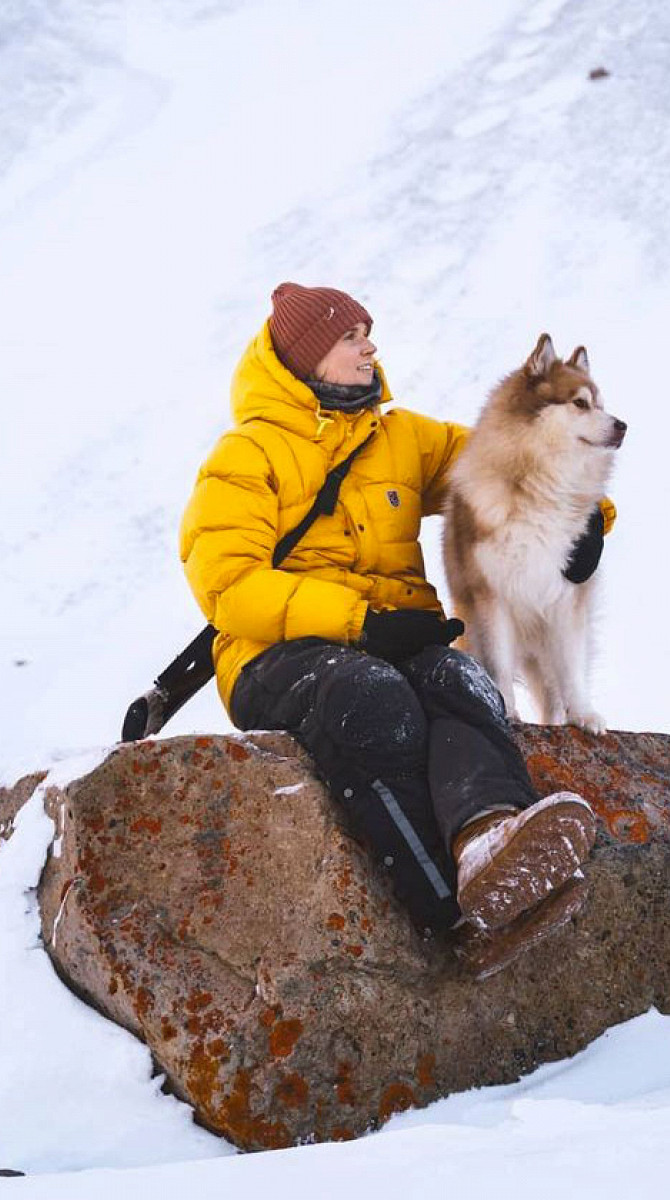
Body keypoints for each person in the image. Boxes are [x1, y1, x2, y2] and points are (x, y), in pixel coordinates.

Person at [178, 283, 600, 977]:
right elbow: (227, 586)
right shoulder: (246, 455)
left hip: (397, 640)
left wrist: (592, 524)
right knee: (373, 698)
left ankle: (492, 840)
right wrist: (358, 624)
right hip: (275, 659)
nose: (369, 345)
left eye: (367, 332)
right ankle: (451, 915)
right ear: (309, 355)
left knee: (460, 676)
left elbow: (519, 459)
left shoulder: (400, 436)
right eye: (350, 337)